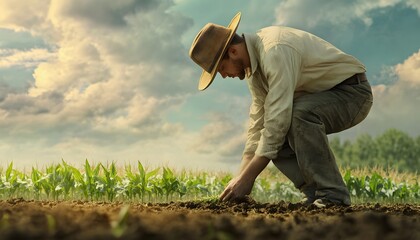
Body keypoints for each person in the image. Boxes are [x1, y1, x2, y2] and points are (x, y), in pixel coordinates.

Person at [189, 12, 373, 207]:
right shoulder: (254, 72)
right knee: (273, 134)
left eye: (221, 69)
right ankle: (315, 194)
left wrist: (248, 178)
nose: (225, 76)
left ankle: (333, 195)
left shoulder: (274, 50)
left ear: (233, 52)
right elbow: (257, 128)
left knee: (294, 117)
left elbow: (277, 123)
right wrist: (239, 181)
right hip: (319, 100)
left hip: (352, 93)